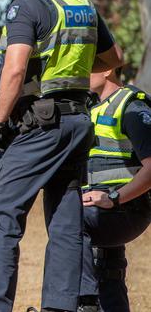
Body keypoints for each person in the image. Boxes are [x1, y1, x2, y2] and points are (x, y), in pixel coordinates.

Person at [0, 0, 124, 311]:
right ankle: (60, 306)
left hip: (40, 124)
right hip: (77, 122)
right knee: (65, 219)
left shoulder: (28, 4)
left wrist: (0, 121)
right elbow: (114, 58)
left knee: (4, 211)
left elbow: (14, 69)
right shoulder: (81, 2)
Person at [78, 68, 151, 311]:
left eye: (88, 66)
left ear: (108, 69)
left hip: (124, 208)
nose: (80, 72)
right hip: (101, 207)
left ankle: (84, 303)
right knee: (108, 271)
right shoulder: (90, 107)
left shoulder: (131, 107)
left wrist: (113, 197)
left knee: (70, 224)